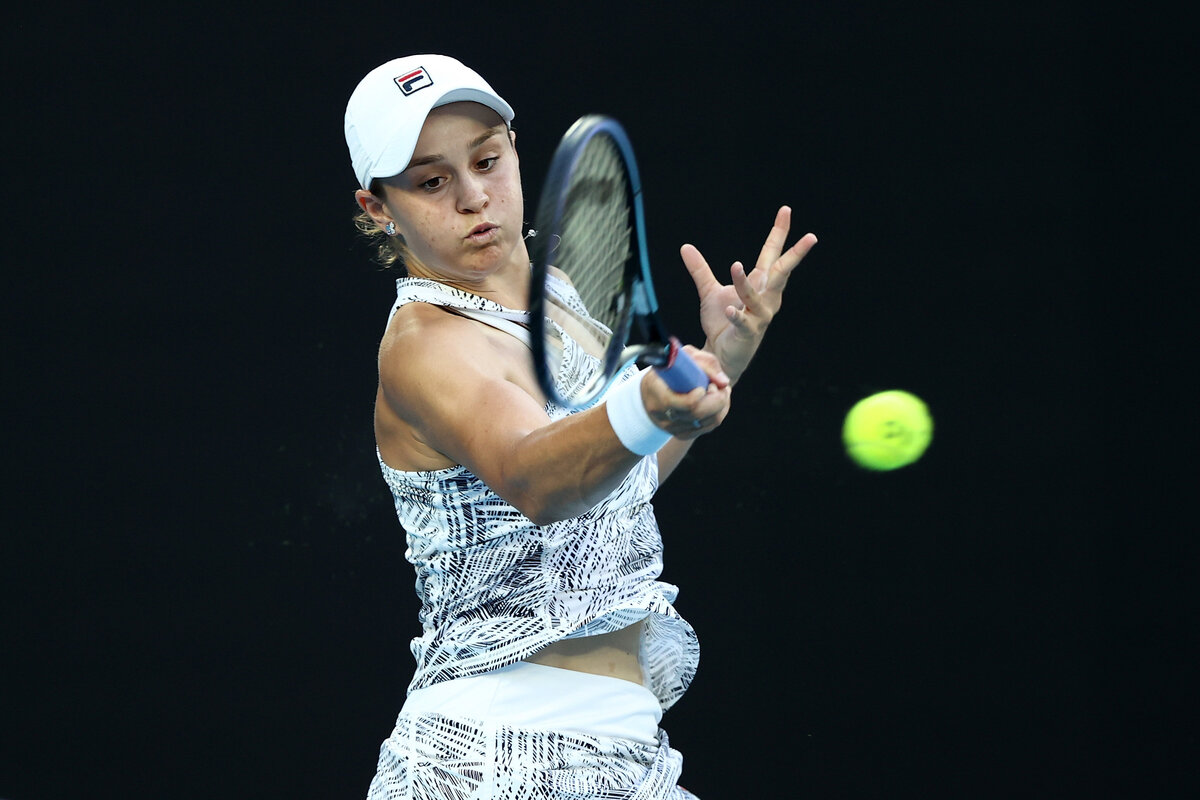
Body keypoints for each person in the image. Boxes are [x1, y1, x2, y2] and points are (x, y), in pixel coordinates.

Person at [345, 54, 817, 799]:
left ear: (513, 148)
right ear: (379, 208)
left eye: (487, 160)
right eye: (433, 182)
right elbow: (537, 476)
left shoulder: (561, 296)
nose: (476, 197)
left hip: (627, 751)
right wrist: (646, 405)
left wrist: (722, 361)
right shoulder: (425, 346)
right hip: (490, 758)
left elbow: (610, 486)